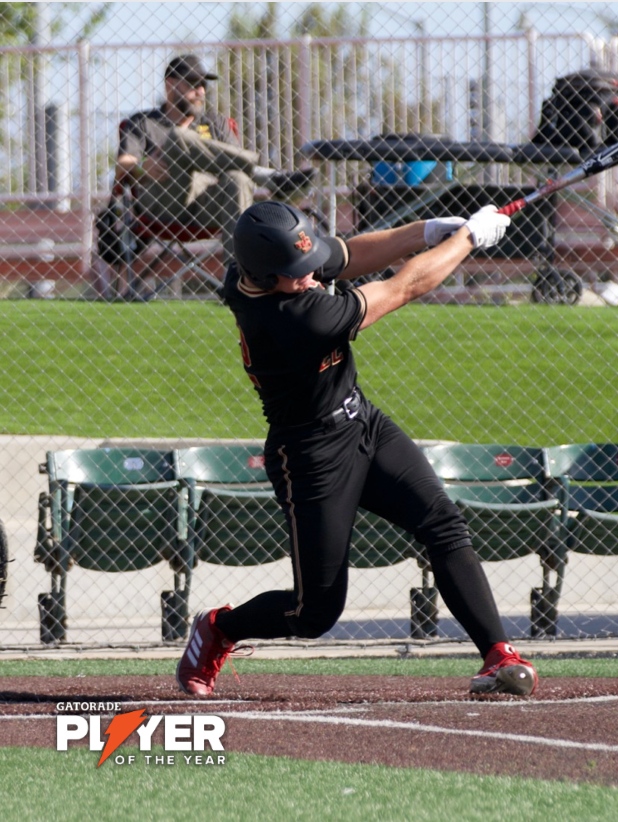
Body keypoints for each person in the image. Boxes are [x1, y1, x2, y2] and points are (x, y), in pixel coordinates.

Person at [176, 200, 539, 698]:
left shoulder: (270, 267)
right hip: (309, 455)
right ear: (264, 275)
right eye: (296, 274)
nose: (308, 277)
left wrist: (426, 229)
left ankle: (497, 655)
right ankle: (219, 628)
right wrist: (469, 240)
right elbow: (403, 287)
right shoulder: (293, 318)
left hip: (362, 422)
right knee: (315, 612)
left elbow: (344, 255)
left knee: (443, 524)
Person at [114, 54, 311, 273]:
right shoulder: (143, 122)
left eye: (203, 84)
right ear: (170, 85)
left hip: (209, 205)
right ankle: (267, 176)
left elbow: (236, 168)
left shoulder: (215, 123)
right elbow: (122, 165)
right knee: (179, 137)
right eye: (192, 83)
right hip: (165, 202)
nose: (201, 91)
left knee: (237, 178)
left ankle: (238, 277)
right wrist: (142, 166)